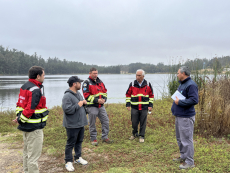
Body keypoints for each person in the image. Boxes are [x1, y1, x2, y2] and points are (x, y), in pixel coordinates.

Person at [12, 66, 49, 173]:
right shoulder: (35, 90)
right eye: (43, 75)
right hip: (34, 128)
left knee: (27, 153)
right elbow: (30, 109)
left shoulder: (25, 86)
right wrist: (21, 119)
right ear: (38, 76)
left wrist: (19, 117)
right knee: (33, 157)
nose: (44, 77)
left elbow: (19, 105)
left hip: (26, 127)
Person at [171, 66, 198, 169]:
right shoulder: (182, 84)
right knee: (180, 138)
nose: (177, 75)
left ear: (183, 73)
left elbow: (194, 100)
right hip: (179, 115)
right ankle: (183, 156)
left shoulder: (191, 85)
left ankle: (190, 161)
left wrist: (180, 102)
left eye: (178, 73)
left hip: (186, 117)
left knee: (186, 139)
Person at [62, 76, 88, 172]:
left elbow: (80, 104)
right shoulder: (67, 96)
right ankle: (68, 161)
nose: (80, 84)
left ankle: (78, 158)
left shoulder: (78, 93)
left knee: (79, 141)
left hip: (81, 123)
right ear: (74, 84)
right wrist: (79, 104)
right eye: (79, 83)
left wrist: (84, 103)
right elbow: (67, 109)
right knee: (70, 143)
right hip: (72, 124)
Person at [82, 67, 113, 146]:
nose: (95, 75)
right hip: (91, 106)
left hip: (101, 106)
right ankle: (93, 139)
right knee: (92, 123)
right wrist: (97, 100)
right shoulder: (86, 83)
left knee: (105, 121)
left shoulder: (100, 82)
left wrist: (104, 99)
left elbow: (105, 92)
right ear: (90, 73)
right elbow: (86, 96)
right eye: (94, 73)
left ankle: (105, 137)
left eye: (96, 73)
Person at [125, 69, 154, 143]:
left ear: (143, 76)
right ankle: (134, 134)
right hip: (134, 107)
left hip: (144, 107)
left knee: (143, 122)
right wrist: (128, 104)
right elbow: (128, 94)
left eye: (139, 75)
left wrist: (150, 105)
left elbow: (151, 95)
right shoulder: (132, 84)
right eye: (136, 75)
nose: (137, 77)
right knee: (134, 122)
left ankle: (142, 136)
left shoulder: (148, 84)